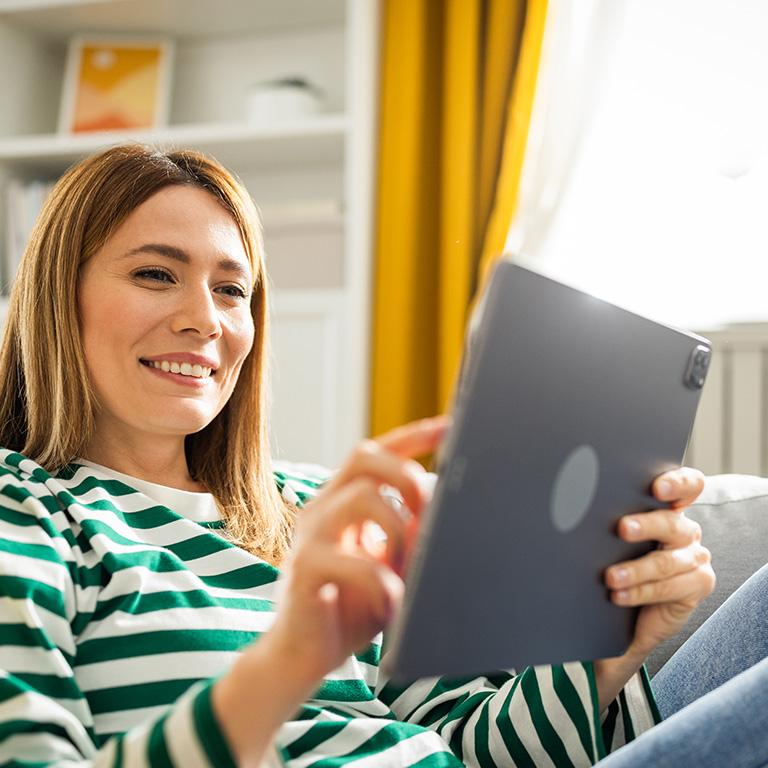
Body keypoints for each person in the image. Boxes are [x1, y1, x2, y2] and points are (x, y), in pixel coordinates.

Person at [0, 142, 748, 768]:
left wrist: (614, 642)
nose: (206, 320)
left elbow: (468, 744)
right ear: (57, 296)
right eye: (155, 273)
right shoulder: (25, 509)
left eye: (232, 290)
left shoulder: (317, 506)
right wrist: (288, 657)